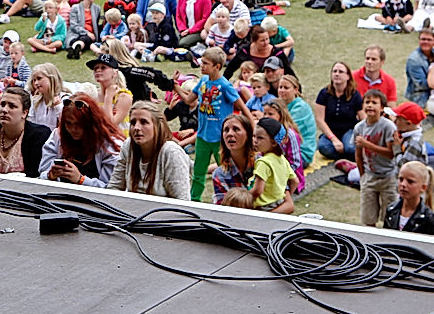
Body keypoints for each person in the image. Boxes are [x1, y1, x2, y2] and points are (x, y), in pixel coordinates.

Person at [187, 47, 249, 201]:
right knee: (198, 173)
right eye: (202, 62)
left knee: (228, 172)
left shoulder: (225, 86)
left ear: (217, 66)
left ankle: (234, 200)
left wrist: (251, 128)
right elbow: (189, 100)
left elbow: (242, 107)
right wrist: (173, 86)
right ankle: (194, 200)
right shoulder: (203, 81)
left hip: (221, 139)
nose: (202, 66)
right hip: (202, 136)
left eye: (205, 63)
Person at [108, 101, 192, 199]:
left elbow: (182, 202)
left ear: (157, 125)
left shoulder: (171, 153)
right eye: (133, 122)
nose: (136, 128)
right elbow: (114, 188)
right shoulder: (128, 146)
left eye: (144, 122)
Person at [39, 92, 123, 187]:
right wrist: (51, 176)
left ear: (91, 123)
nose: (73, 129)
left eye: (79, 124)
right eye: (69, 123)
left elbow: (110, 187)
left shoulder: (110, 145)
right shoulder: (57, 136)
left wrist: (80, 179)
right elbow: (42, 174)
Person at [0, 86, 51, 176]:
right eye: (2, 104)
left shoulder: (38, 136)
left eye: (12, 106)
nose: (4, 110)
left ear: (24, 113)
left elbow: (37, 176)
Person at [354, 89, 399, 227]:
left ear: (382, 108)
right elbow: (358, 154)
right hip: (369, 177)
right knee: (368, 217)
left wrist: (368, 144)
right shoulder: (359, 128)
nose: (370, 105)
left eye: (374, 102)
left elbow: (391, 153)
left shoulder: (388, 127)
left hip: (388, 177)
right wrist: (362, 175)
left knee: (390, 217)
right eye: (367, 102)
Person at [315, 61, 362, 161]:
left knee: (350, 148)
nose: (337, 74)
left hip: (349, 130)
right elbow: (320, 120)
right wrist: (333, 139)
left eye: (341, 72)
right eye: (334, 71)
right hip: (330, 131)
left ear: (348, 76)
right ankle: (346, 156)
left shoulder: (355, 95)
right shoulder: (324, 94)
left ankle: (347, 153)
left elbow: (363, 118)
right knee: (323, 148)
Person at [251, 117, 298, 213]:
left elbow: (258, 190)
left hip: (263, 207)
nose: (255, 140)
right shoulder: (282, 160)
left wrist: (244, 197)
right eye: (254, 136)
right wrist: (282, 195)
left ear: (273, 142)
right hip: (279, 202)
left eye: (260, 138)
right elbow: (295, 181)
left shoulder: (263, 162)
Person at [383, 162, 434, 235]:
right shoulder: (391, 210)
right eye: (401, 179)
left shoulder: (429, 219)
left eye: (410, 181)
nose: (403, 184)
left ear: (423, 187)